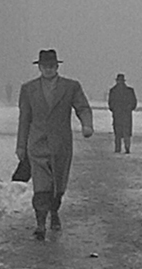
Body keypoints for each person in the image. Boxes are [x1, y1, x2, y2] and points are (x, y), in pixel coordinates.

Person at [16, 50, 94, 240]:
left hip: (61, 144)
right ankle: (41, 223)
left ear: (57, 67)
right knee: (41, 185)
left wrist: (87, 124)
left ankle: (55, 211)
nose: (48, 69)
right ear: (39, 67)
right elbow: (24, 118)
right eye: (45, 66)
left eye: (51, 66)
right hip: (37, 143)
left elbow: (82, 107)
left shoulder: (71, 87)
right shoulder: (28, 89)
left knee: (58, 185)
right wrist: (21, 146)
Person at [108, 73, 138, 154]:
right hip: (119, 115)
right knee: (119, 133)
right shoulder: (113, 91)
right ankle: (119, 148)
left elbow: (133, 103)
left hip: (124, 115)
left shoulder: (127, 91)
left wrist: (127, 109)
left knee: (125, 133)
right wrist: (115, 109)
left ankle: (125, 148)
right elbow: (110, 104)